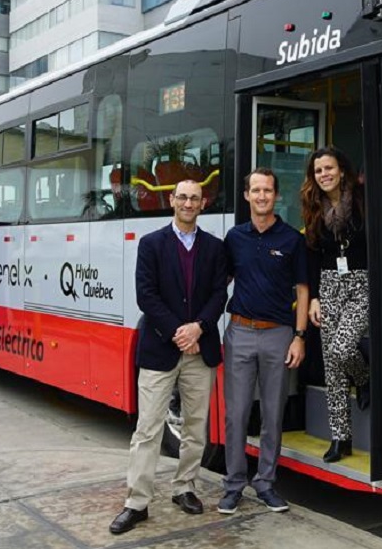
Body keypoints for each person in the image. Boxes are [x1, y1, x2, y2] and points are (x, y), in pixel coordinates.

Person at [109, 180, 228, 535]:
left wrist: (199, 329)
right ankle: (137, 502)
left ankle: (185, 488)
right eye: (182, 197)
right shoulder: (151, 244)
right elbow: (146, 296)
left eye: (195, 198)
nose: (188, 203)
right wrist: (180, 332)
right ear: (172, 200)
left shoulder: (215, 248)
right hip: (161, 347)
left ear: (202, 204)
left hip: (199, 348)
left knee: (195, 427)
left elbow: (219, 294)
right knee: (148, 429)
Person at [219, 168, 309, 514]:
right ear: (246, 196)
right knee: (236, 414)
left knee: (273, 414)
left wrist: (299, 337)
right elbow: (221, 280)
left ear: (276, 196)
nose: (261, 196)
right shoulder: (234, 238)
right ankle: (233, 485)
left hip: (278, 335)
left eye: (267, 191)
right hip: (240, 332)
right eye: (255, 190)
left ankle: (266, 483)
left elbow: (303, 290)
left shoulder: (291, 239)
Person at [300, 146, 369, 463]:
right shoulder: (313, 206)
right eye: (318, 171)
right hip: (329, 285)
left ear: (341, 170)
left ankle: (365, 378)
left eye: (329, 168)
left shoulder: (362, 198)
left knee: (342, 349)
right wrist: (314, 296)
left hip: (362, 283)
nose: (324, 175)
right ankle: (340, 438)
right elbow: (313, 254)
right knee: (332, 367)